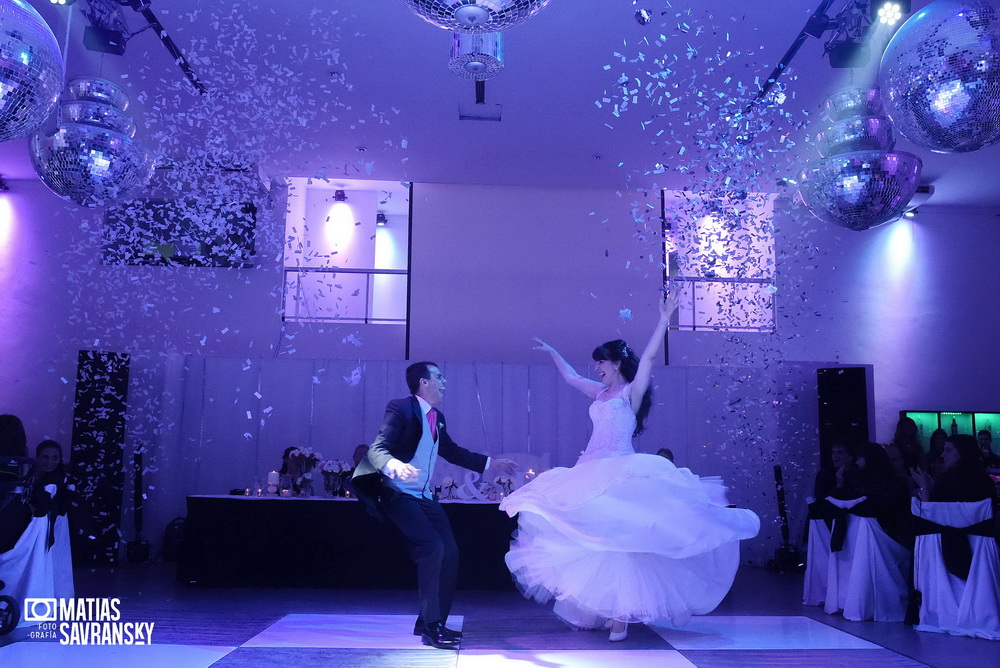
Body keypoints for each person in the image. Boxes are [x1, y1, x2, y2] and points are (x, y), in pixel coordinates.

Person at [500, 291, 760, 641]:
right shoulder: (600, 393)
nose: (597, 369)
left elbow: (650, 357)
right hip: (590, 469)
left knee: (621, 540)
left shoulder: (629, 394)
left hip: (620, 469)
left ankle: (621, 616)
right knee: (596, 539)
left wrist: (664, 319)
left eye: (601, 364)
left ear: (616, 363)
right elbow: (572, 378)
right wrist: (554, 354)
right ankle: (611, 611)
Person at [352, 362, 516, 650]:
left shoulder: (436, 417)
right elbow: (378, 448)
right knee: (432, 548)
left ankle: (429, 619)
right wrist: (394, 466)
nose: (444, 382)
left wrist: (492, 463)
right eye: (439, 377)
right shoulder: (401, 408)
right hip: (398, 494)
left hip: (425, 497)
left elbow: (451, 451)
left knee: (449, 552)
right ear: (423, 382)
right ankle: (432, 628)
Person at [0, 440, 75, 621]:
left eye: (55, 458)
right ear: (38, 457)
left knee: (49, 560)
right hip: (47, 521)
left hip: (51, 523)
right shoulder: (33, 474)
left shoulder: (55, 478)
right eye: (46, 457)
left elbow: (44, 504)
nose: (50, 461)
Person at [913, 434, 998, 503]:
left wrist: (924, 487)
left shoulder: (946, 481)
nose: (943, 455)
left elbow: (933, 514)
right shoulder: (986, 481)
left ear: (963, 453)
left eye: (948, 450)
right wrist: (933, 486)